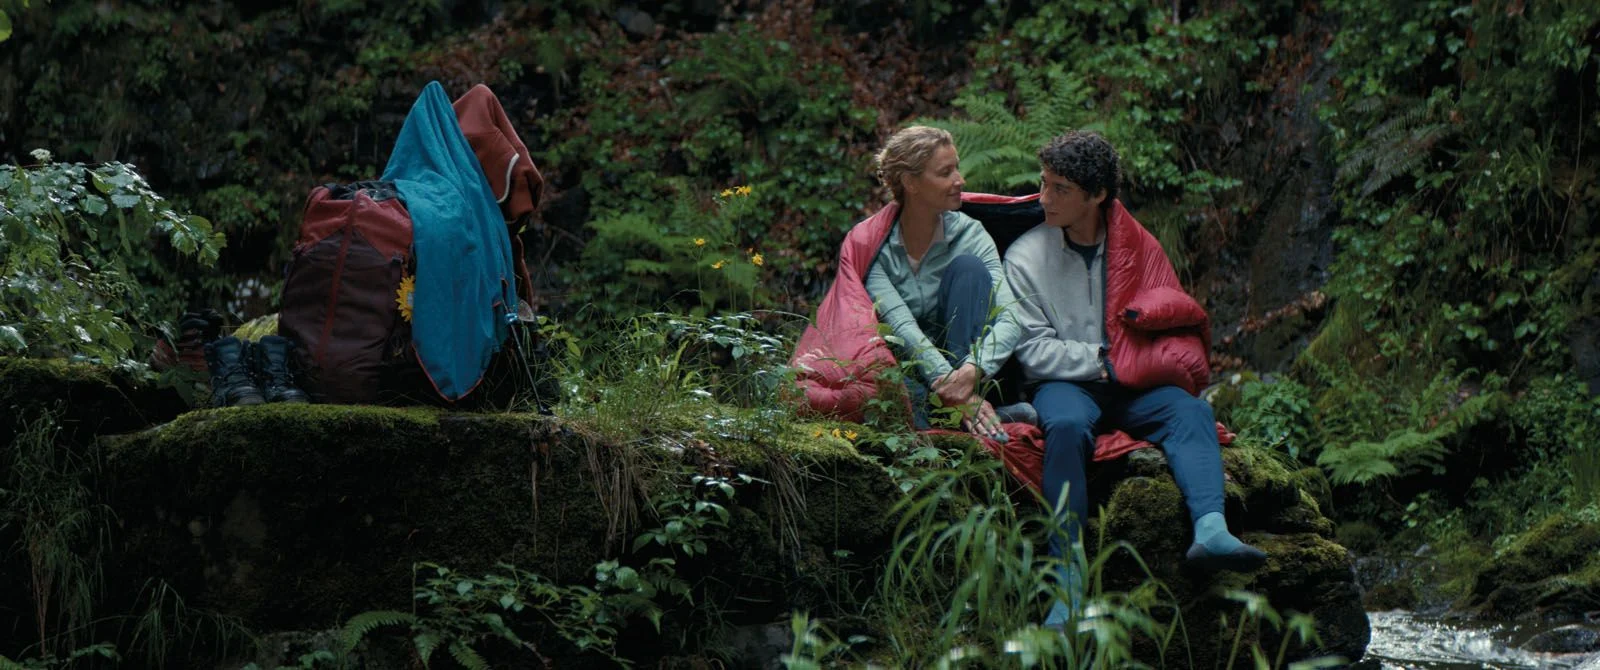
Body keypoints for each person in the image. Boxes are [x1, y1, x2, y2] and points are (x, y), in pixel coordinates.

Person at [1003, 130, 1267, 627]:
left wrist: (1134, 363)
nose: (1044, 198)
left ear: (1097, 194)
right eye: (1043, 183)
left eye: (1060, 189)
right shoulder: (1024, 256)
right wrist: (1104, 360)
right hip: (1064, 383)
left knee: (1191, 411)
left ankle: (1211, 530)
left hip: (1132, 384)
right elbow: (1032, 351)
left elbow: (1170, 315)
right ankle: (1067, 576)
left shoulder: (1138, 246)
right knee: (1065, 427)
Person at [864, 126, 1022, 440]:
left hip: (970, 370)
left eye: (957, 168)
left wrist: (970, 372)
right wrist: (950, 385)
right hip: (912, 371)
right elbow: (902, 326)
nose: (960, 180)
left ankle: (966, 408)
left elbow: (1011, 317)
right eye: (945, 172)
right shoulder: (875, 247)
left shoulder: (970, 234)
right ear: (910, 183)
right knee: (896, 388)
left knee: (969, 269)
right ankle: (976, 415)